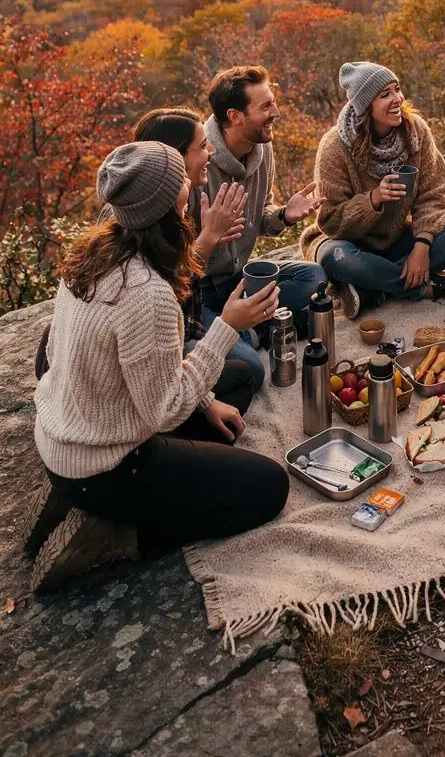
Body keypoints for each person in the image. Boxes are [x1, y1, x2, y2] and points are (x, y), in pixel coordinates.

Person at [28, 141, 288, 591]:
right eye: (183, 187)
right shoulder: (146, 293)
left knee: (236, 386)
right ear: (168, 205)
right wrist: (227, 326)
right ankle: (117, 532)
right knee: (269, 489)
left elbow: (132, 370)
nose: (191, 189)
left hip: (65, 436)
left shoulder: (96, 251)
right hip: (106, 467)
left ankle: (94, 501)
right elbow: (164, 411)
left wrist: (207, 402)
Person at [301, 62, 445, 313]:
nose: (398, 98)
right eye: (385, 94)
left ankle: (370, 288)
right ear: (365, 106)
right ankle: (428, 287)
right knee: (336, 258)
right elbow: (330, 220)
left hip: (399, 239)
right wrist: (372, 199)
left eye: (397, 89)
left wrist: (422, 245)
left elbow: (434, 194)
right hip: (349, 244)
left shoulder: (415, 130)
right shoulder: (335, 147)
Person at [132, 107, 265, 392]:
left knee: (307, 280)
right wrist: (208, 238)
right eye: (203, 146)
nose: (212, 153)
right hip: (172, 328)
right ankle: (240, 331)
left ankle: (242, 330)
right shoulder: (141, 214)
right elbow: (169, 297)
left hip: (200, 301)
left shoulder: (172, 203)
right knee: (250, 371)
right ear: (173, 159)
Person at [198, 65, 325, 334]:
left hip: (241, 279)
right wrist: (210, 236)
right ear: (235, 116)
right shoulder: (197, 160)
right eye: (266, 107)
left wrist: (284, 216)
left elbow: (263, 213)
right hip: (200, 288)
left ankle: (248, 326)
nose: (275, 113)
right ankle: (250, 329)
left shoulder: (263, 148)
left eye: (274, 104)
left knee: (313, 276)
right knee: (246, 364)